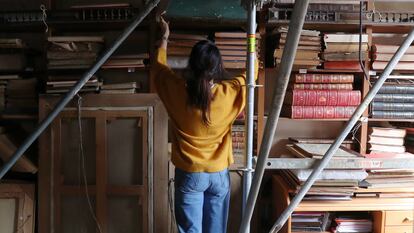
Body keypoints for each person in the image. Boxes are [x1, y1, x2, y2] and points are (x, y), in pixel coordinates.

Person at [151, 16, 258, 233]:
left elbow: (158, 67)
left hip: (190, 173)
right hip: (218, 174)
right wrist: (251, 36)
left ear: (191, 64)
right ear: (218, 67)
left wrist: (164, 37)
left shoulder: (176, 90)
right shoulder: (230, 92)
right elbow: (252, 70)